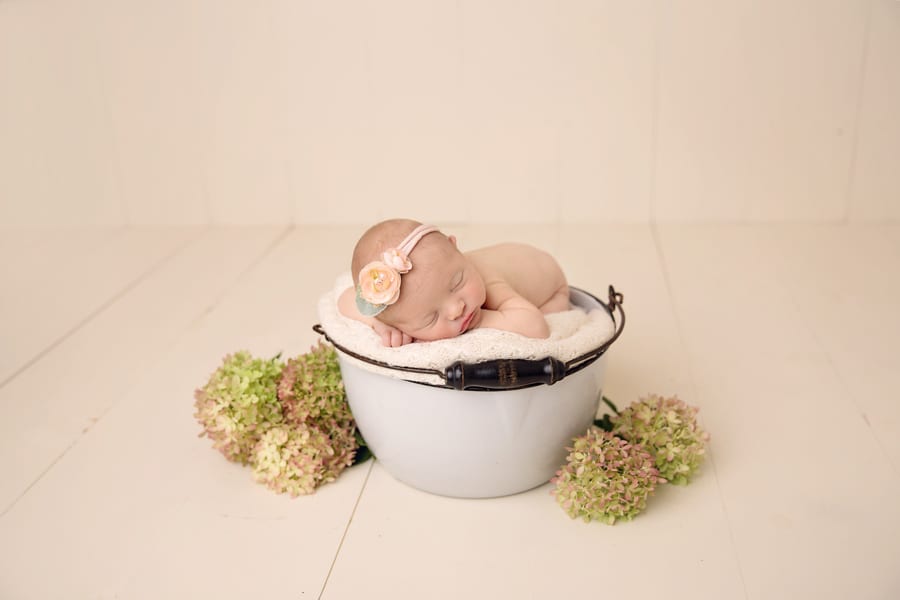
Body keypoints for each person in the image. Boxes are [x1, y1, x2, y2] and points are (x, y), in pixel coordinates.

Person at [338, 218, 570, 347]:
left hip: (551, 286)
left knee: (555, 317)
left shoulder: (487, 279)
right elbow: (345, 300)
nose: (456, 310)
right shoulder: (436, 283)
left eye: (457, 283)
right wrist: (379, 323)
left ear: (455, 247)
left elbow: (536, 327)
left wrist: (484, 319)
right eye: (431, 318)